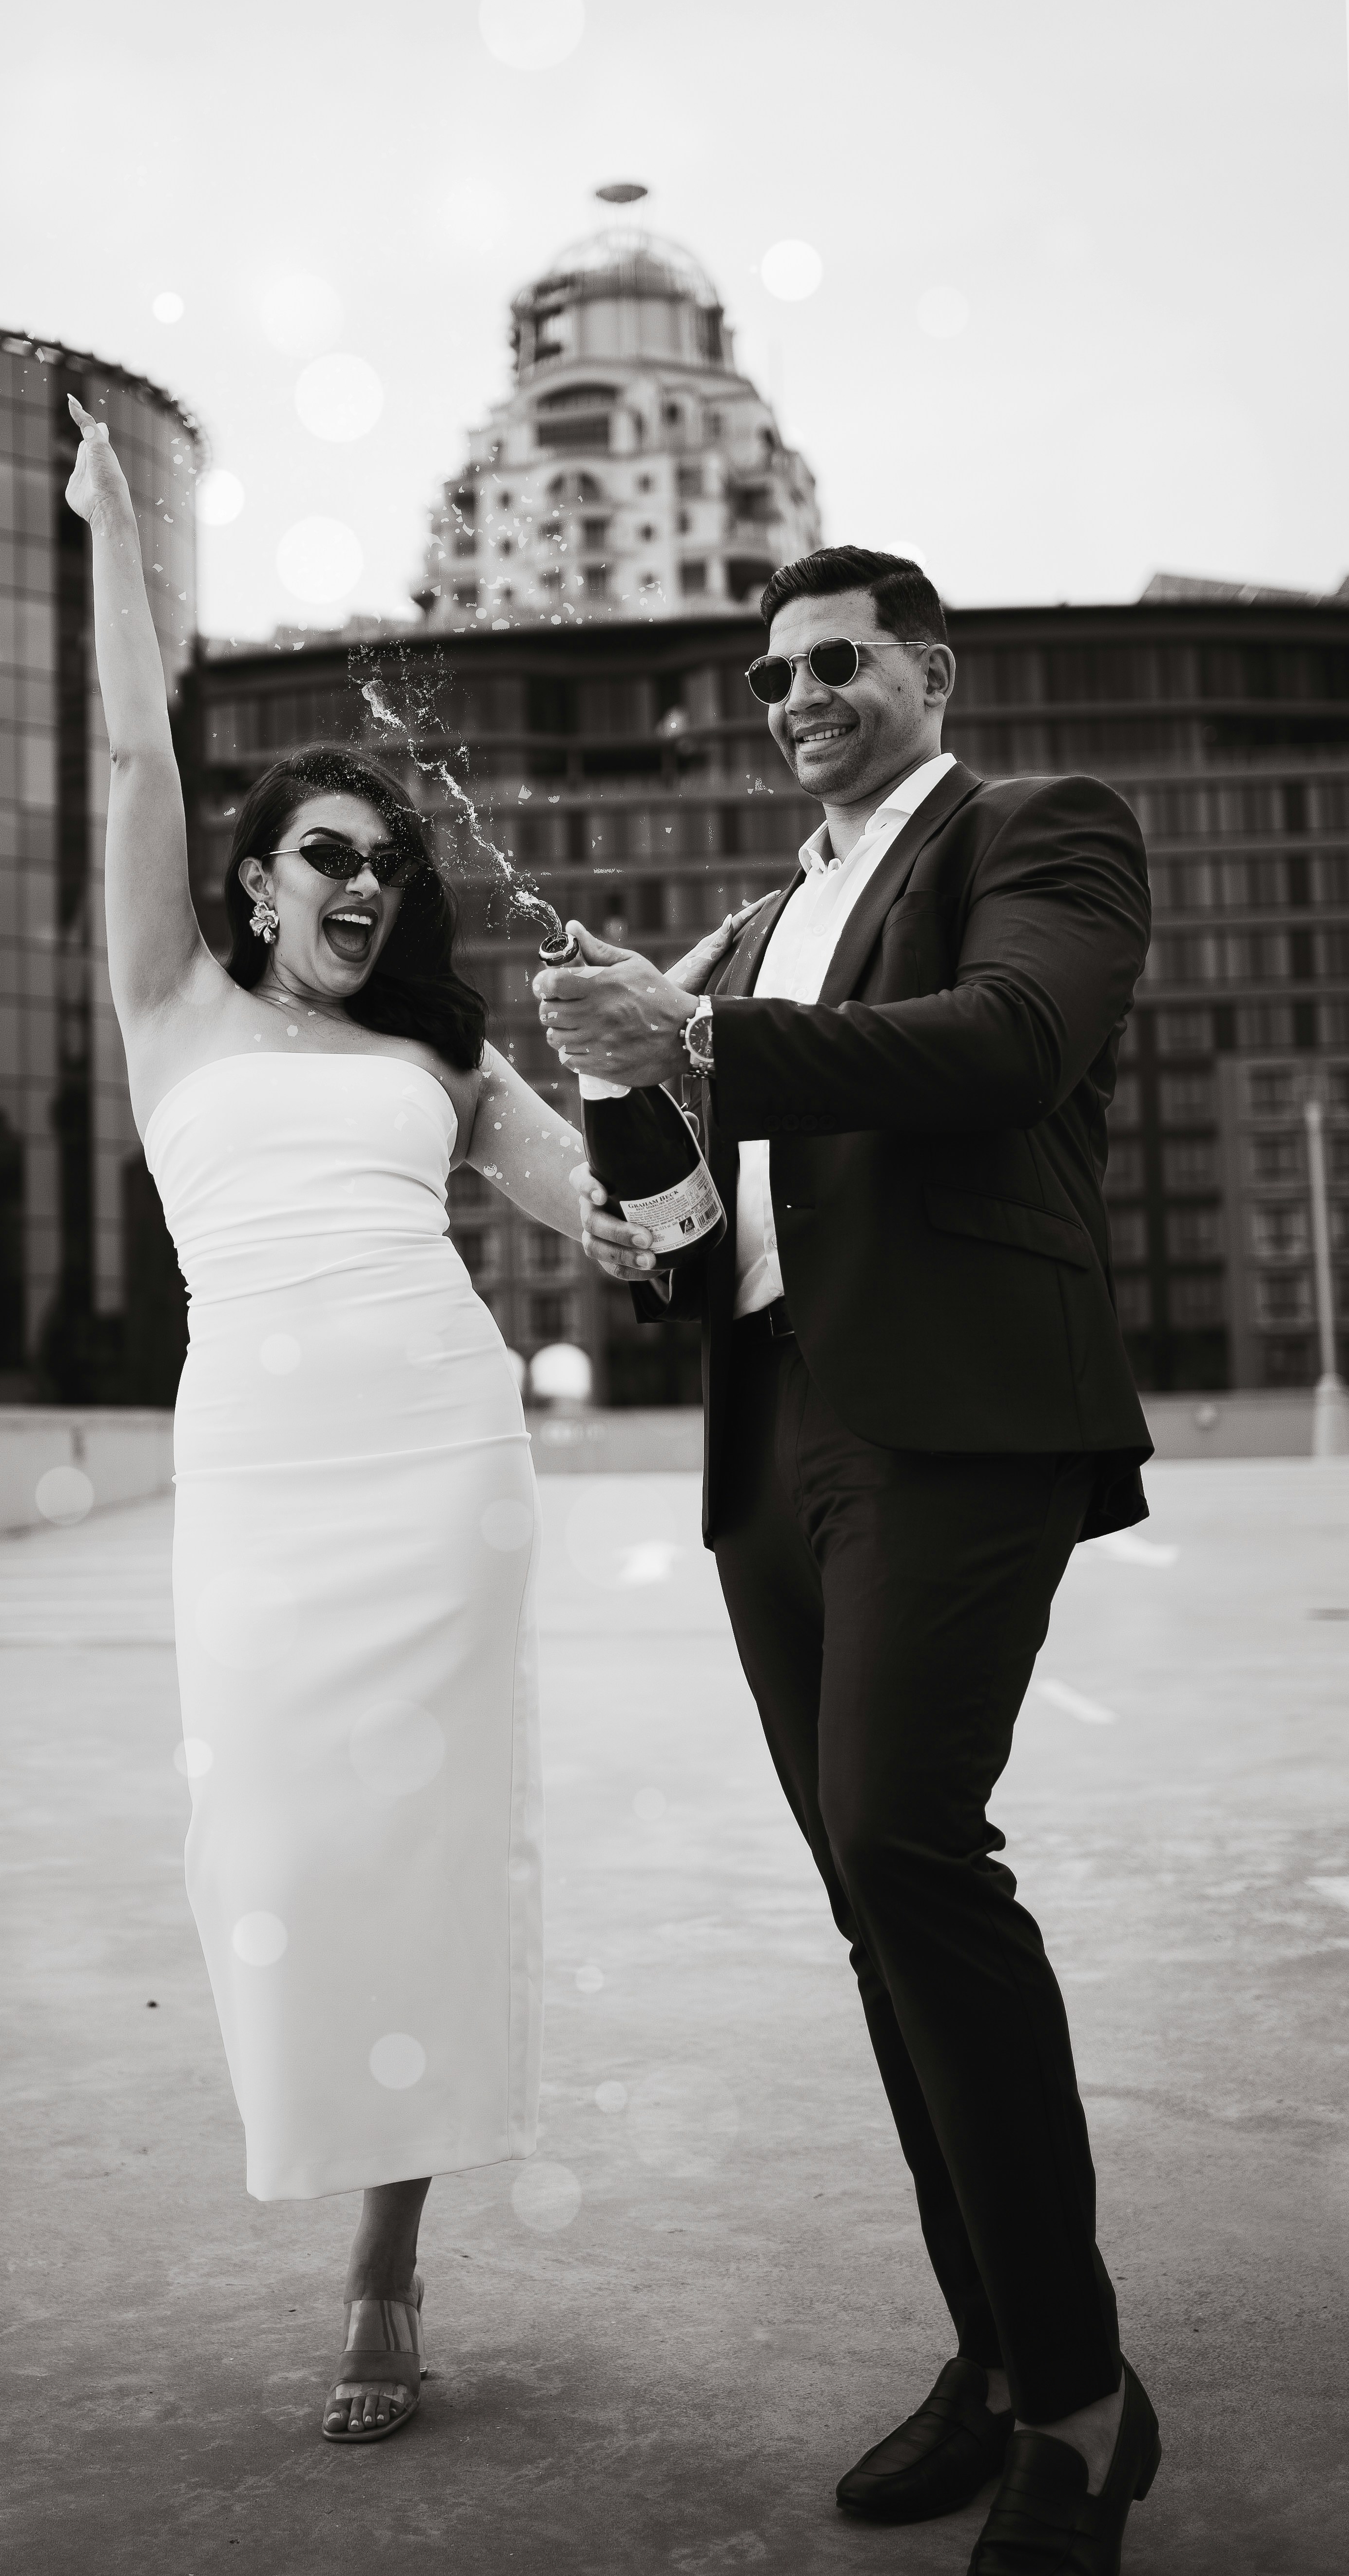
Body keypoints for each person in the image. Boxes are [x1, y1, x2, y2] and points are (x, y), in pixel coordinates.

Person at [62, 393, 756, 2447]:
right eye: (327, 862)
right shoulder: (168, 1002)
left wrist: (666, 1055)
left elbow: (625, 1228)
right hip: (259, 1494)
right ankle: (347, 2184)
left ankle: (385, 2259)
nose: (364, 890)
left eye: (385, 867)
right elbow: (130, 749)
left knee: (423, 1858)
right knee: (278, 1839)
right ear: (255, 882)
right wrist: (115, 536)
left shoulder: (444, 1062)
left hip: (441, 1473)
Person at [535, 545, 1162, 2576]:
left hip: (960, 1408)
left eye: (835, 660)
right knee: (867, 1905)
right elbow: (708, 1231)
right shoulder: (757, 921)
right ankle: (990, 2355)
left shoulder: (1035, 831)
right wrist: (637, 1114)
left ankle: (1078, 2400)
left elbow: (1009, 1048)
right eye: (773, 674)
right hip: (770, 1428)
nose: (795, 692)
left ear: (926, 670)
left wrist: (702, 1041)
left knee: (910, 1845)